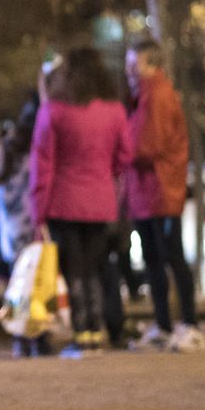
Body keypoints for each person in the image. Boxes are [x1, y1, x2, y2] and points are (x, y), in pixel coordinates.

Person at [29, 47, 131, 357]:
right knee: (95, 268)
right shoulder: (115, 111)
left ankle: (81, 331)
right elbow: (124, 155)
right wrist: (105, 176)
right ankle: (95, 332)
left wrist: (38, 211)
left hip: (64, 201)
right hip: (100, 201)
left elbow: (43, 165)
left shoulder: (55, 111)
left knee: (74, 270)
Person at [123, 39, 202, 352]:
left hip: (161, 190)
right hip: (149, 192)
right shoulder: (143, 96)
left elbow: (147, 145)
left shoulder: (156, 95)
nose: (129, 71)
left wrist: (119, 151)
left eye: (135, 65)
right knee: (156, 260)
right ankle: (165, 325)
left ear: (151, 64)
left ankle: (190, 324)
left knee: (171, 258)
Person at [0, 102, 38, 278]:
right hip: (34, 235)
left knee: (17, 286)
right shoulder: (36, 160)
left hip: (11, 238)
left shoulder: (3, 154)